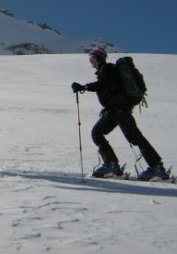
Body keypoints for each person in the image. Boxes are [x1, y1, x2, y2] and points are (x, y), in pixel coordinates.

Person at [72, 47, 168, 180]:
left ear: (98, 58)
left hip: (119, 110)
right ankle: (112, 165)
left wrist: (84, 87)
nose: (91, 62)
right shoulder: (105, 71)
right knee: (97, 133)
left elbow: (103, 84)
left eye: (92, 59)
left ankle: (156, 167)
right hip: (114, 111)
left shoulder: (107, 69)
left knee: (135, 137)